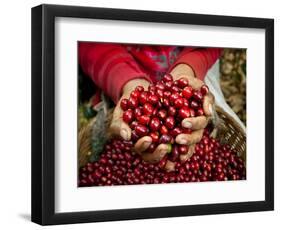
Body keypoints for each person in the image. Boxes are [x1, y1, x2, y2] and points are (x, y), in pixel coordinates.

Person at [79, 43, 221, 170]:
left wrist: (189, 67)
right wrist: (127, 82)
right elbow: (88, 44)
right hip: (116, 73)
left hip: (192, 66)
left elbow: (216, 35)